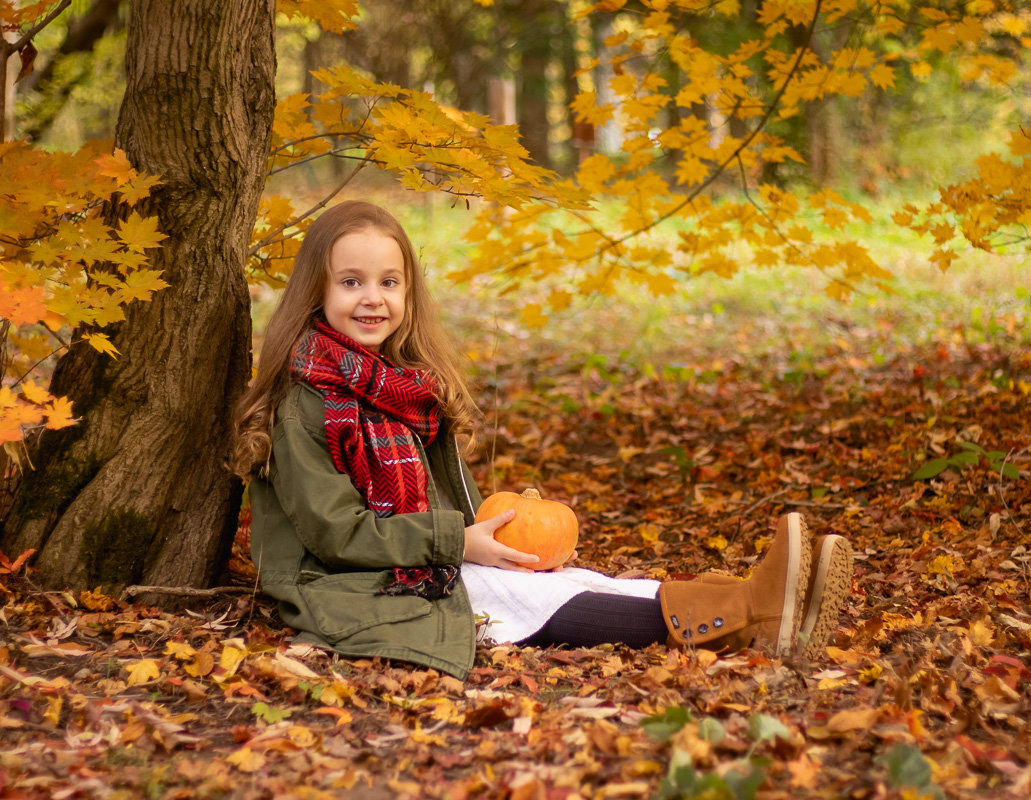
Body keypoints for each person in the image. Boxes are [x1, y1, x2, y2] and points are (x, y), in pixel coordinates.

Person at [230, 200, 853, 680]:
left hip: (413, 559)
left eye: (389, 283)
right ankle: (750, 613)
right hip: (339, 583)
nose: (373, 298)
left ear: (408, 293)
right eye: (351, 282)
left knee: (565, 580)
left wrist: (481, 536)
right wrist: (459, 541)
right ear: (317, 290)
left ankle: (750, 605)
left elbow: (437, 508)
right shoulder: (305, 400)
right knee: (516, 595)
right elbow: (334, 535)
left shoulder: (397, 387)